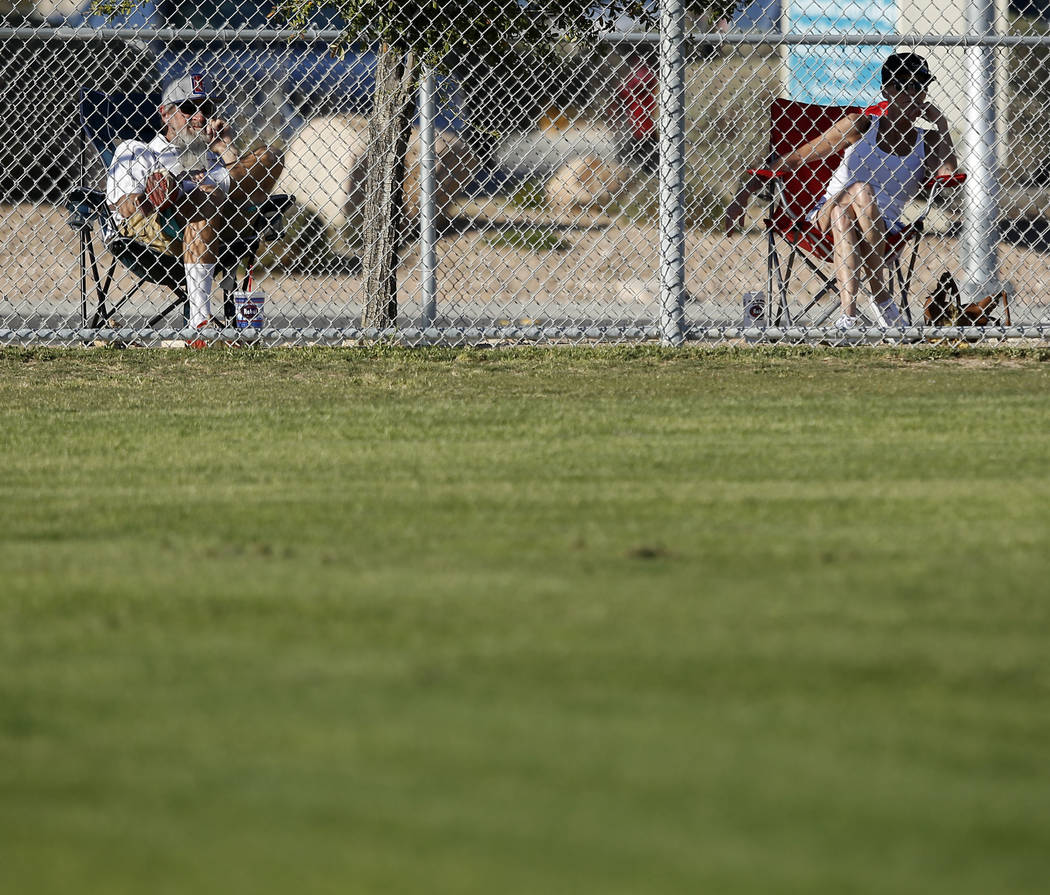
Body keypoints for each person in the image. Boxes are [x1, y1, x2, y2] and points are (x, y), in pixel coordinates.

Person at [725, 53, 960, 329]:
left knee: (843, 216)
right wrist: (743, 195)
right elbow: (796, 158)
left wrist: (942, 124)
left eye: (919, 86)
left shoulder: (929, 139)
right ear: (886, 90)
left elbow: (947, 176)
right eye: (903, 86)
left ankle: (848, 317)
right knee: (858, 191)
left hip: (884, 228)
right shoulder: (861, 126)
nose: (912, 94)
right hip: (821, 219)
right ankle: (880, 294)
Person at [105, 72, 284, 342]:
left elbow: (257, 178)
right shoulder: (140, 150)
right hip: (156, 232)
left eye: (206, 109)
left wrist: (225, 148)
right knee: (208, 195)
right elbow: (124, 207)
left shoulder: (212, 154)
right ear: (165, 113)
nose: (200, 117)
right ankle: (200, 321)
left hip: (220, 229)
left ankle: (214, 190)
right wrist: (154, 197)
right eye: (189, 108)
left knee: (268, 156)